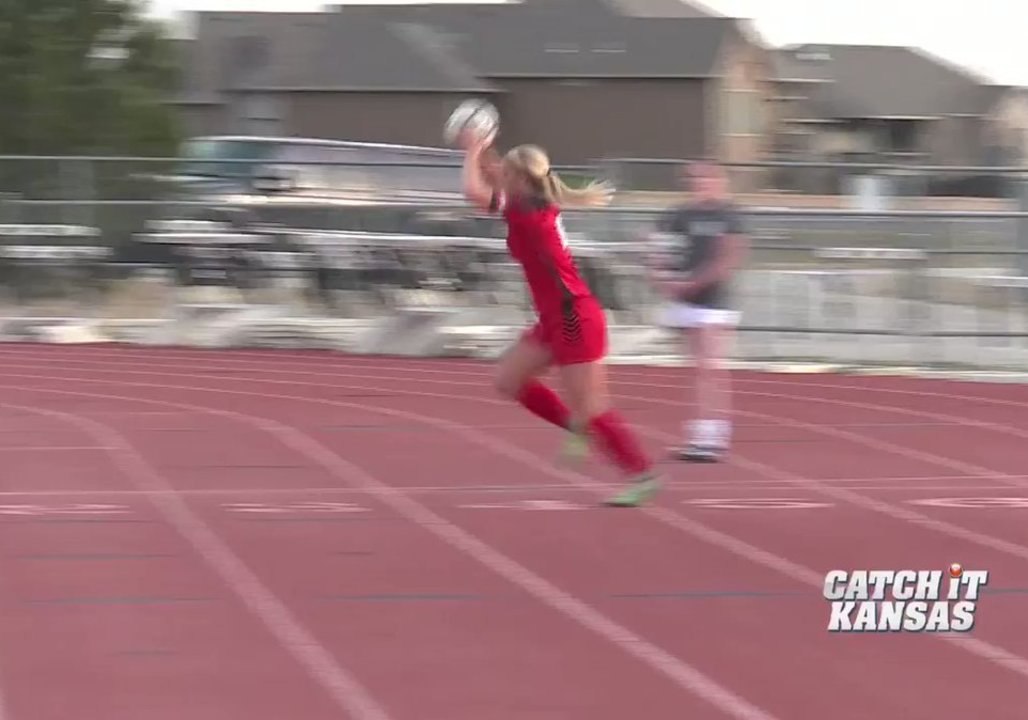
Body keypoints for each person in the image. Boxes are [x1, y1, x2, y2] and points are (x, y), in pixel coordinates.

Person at [459, 131, 660, 507]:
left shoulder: (526, 213)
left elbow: (474, 190)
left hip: (573, 318)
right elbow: (493, 173)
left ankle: (641, 473)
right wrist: (483, 149)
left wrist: (471, 151)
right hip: (554, 316)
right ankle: (575, 426)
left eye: (506, 172)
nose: (498, 173)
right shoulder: (529, 202)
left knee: (593, 405)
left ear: (519, 181)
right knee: (509, 379)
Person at [651, 160, 748, 462]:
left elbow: (728, 258)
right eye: (693, 179)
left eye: (705, 178)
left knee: (710, 369)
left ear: (719, 181)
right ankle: (701, 434)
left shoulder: (729, 215)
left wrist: (694, 283)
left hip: (713, 301)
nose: (698, 183)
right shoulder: (678, 214)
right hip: (684, 299)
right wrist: (662, 277)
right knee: (697, 370)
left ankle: (713, 437)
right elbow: (656, 246)